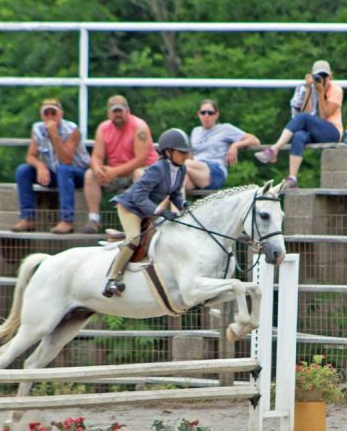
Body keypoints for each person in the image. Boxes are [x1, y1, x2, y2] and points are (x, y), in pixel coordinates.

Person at [102, 128, 191, 298]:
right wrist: (162, 211)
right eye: (182, 152)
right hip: (131, 207)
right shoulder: (157, 169)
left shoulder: (181, 170)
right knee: (134, 238)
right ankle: (112, 278)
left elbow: (175, 194)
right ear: (168, 151)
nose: (186, 156)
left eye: (187, 152)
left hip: (148, 210)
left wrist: (185, 205)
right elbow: (138, 196)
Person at [254, 60, 343, 190]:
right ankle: (292, 178)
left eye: (325, 76)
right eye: (319, 76)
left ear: (331, 76)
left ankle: (274, 149)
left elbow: (324, 116)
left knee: (302, 119)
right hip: (314, 131)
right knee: (299, 136)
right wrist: (308, 89)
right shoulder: (309, 87)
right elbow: (306, 114)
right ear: (312, 76)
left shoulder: (336, 90)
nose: (322, 79)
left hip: (332, 132)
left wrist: (321, 92)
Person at [81, 95, 159, 233]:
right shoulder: (103, 128)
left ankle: (141, 218)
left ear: (127, 111)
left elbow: (141, 159)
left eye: (120, 111)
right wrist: (98, 169)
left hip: (140, 172)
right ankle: (94, 219)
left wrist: (114, 171)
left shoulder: (139, 127)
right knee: (90, 175)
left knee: (139, 173)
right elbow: (96, 157)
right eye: (114, 111)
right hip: (117, 173)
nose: (118, 114)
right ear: (108, 113)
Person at [11, 99, 90, 234]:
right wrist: (40, 165)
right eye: (46, 113)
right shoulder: (37, 128)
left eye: (53, 113)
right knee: (23, 170)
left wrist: (55, 136)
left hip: (77, 173)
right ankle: (27, 218)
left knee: (63, 169)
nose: (50, 117)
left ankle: (67, 220)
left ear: (61, 114)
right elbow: (30, 156)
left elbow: (66, 159)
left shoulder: (72, 129)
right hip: (54, 172)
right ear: (41, 115)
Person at [185, 99, 260, 190]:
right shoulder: (195, 131)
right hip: (195, 171)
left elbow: (255, 140)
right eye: (203, 112)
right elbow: (190, 155)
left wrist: (235, 145)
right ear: (198, 114)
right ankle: (165, 204)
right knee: (177, 183)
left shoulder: (225, 128)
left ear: (216, 115)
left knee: (177, 163)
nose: (206, 115)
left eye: (210, 113)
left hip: (215, 171)